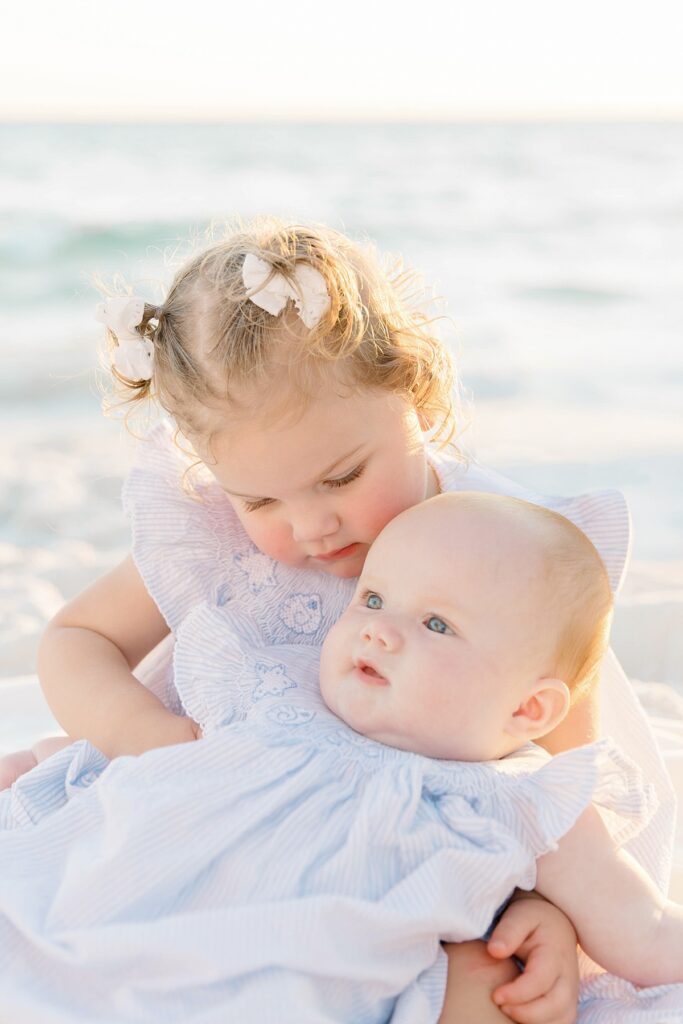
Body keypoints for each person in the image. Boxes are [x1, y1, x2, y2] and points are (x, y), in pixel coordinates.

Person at [0, 220, 675, 1022]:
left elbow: (569, 777)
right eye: (259, 498)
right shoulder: (220, 535)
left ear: (416, 394)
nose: (310, 525)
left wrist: (558, 914)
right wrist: (135, 737)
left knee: (482, 986)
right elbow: (79, 639)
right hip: (223, 823)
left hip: (395, 865)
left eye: (341, 476)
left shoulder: (502, 549)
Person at [1, 490, 682, 1023]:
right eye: (374, 598)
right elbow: (164, 775)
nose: (378, 630)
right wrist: (54, 764)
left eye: (435, 624)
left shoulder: (527, 797)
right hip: (116, 911)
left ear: (526, 710)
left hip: (284, 983)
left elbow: (645, 930)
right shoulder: (273, 687)